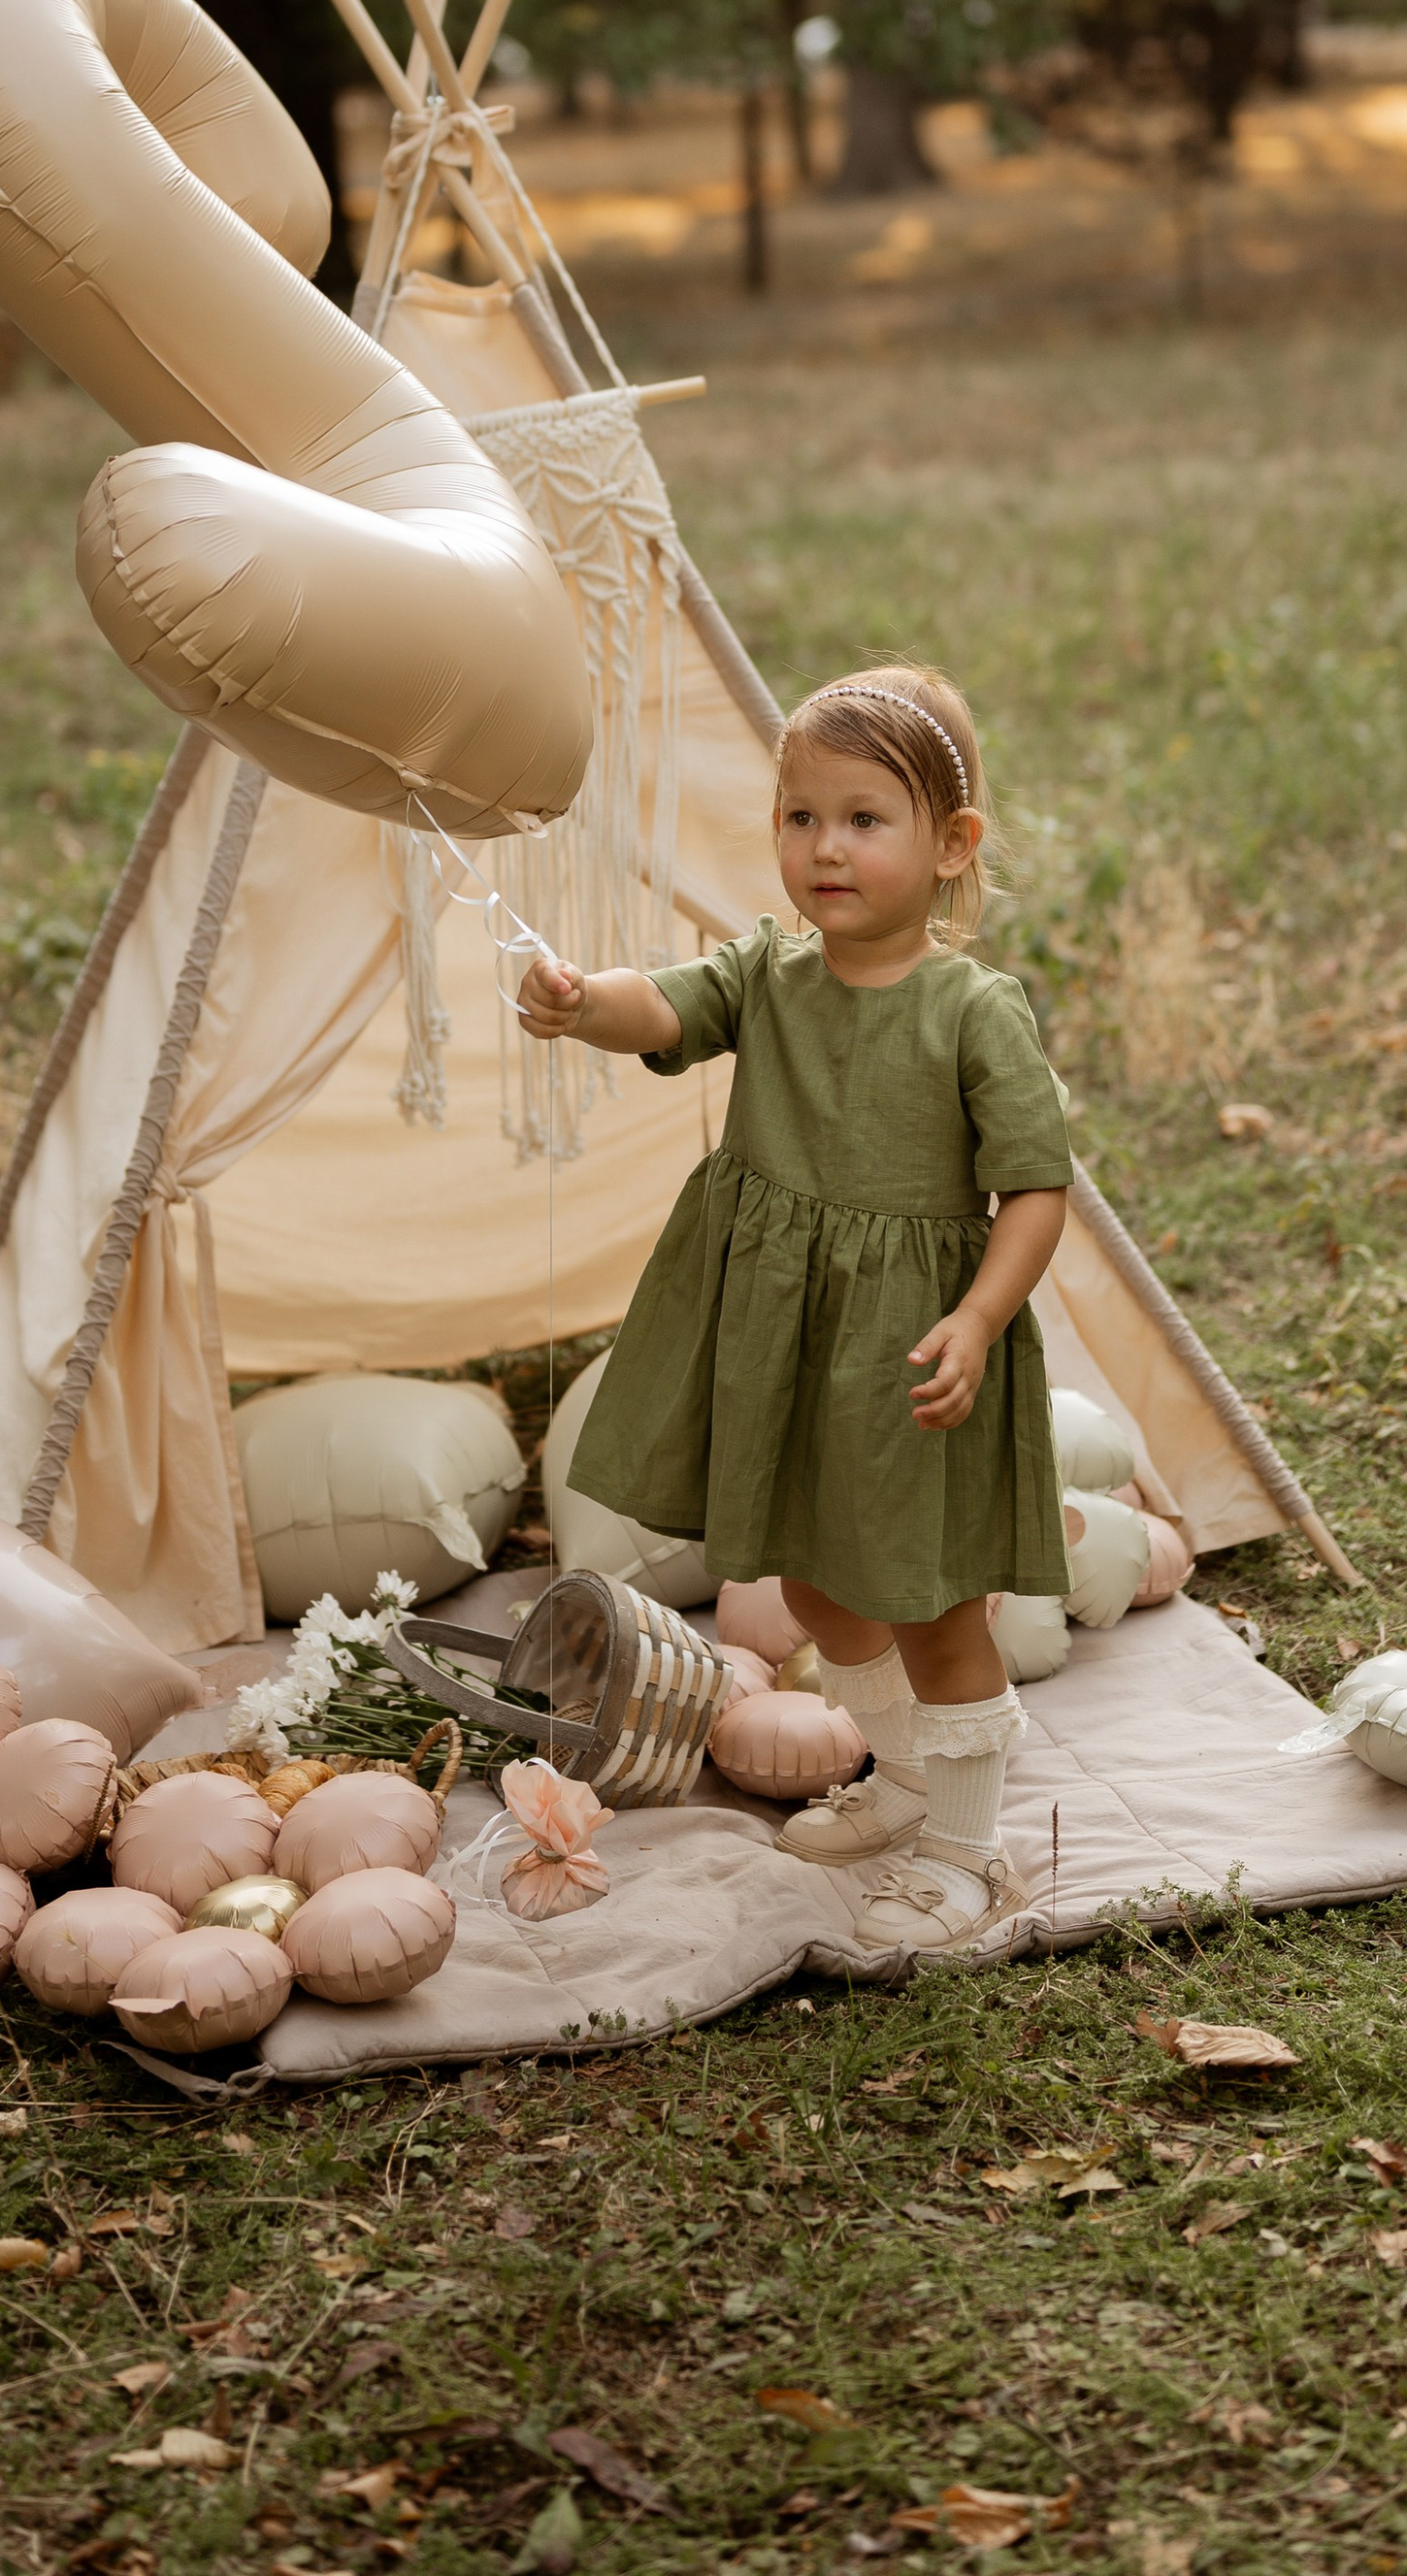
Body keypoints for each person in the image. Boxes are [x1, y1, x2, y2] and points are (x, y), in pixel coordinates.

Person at [516, 662, 1072, 1957]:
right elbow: (662, 1004)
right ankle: (906, 1781)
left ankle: (969, 1849)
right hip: (790, 1347)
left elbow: (1037, 1193)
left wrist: (981, 1320)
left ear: (951, 846)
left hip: (909, 1356)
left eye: (865, 819)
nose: (824, 848)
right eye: (799, 816)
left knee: (932, 1608)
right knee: (822, 1592)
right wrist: (579, 1002)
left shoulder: (970, 1013)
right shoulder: (769, 974)